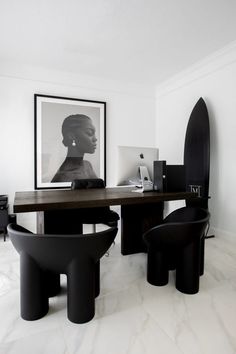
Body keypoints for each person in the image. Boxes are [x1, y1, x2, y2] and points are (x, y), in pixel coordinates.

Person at [51, 114, 98, 182]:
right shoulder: (64, 177)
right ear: (72, 136)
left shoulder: (87, 165)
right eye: (89, 132)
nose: (95, 139)